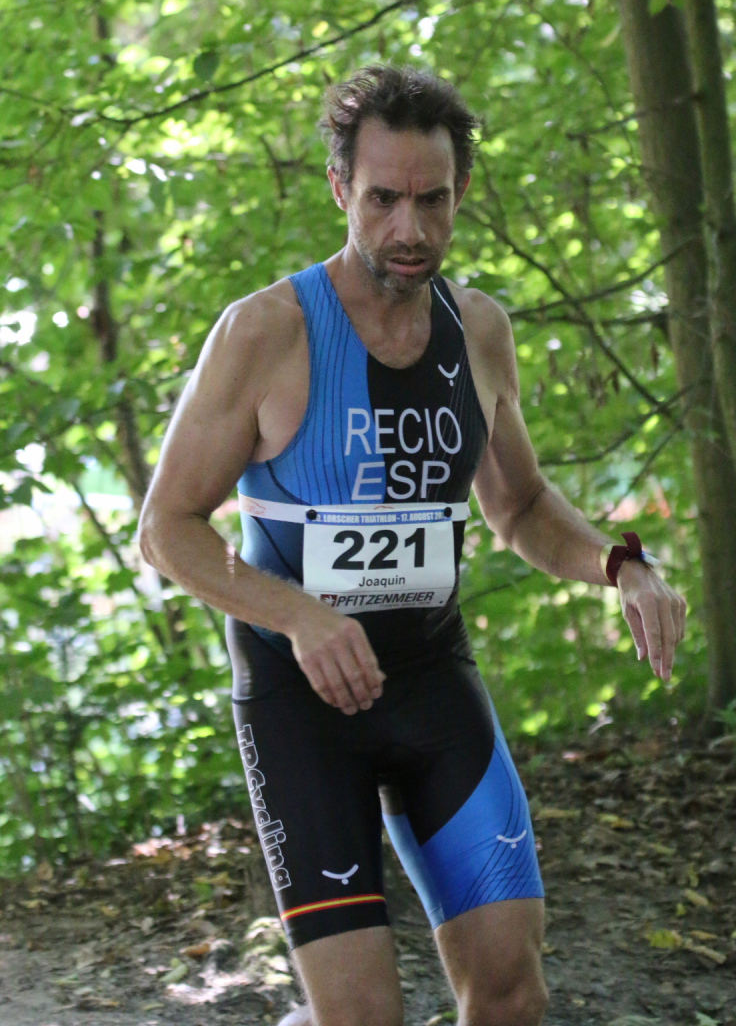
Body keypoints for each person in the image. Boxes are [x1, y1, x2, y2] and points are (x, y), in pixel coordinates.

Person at [139, 65, 686, 1026]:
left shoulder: (478, 331)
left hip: (432, 680)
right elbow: (166, 529)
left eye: (433, 201)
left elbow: (520, 507)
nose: (411, 228)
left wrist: (620, 563)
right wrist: (299, 617)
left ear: (460, 192)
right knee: (362, 1017)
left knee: (512, 991)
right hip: (300, 702)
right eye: (383, 199)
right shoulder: (267, 331)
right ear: (339, 189)